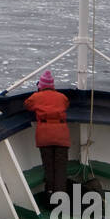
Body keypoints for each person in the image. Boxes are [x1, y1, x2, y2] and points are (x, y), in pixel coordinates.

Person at [24, 70, 70, 203]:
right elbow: (66, 105)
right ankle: (61, 198)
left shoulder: (36, 97)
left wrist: (38, 93)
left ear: (41, 85)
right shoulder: (62, 97)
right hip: (61, 136)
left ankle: (50, 195)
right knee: (61, 168)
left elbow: (27, 105)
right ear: (53, 85)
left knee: (48, 167)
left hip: (45, 135)